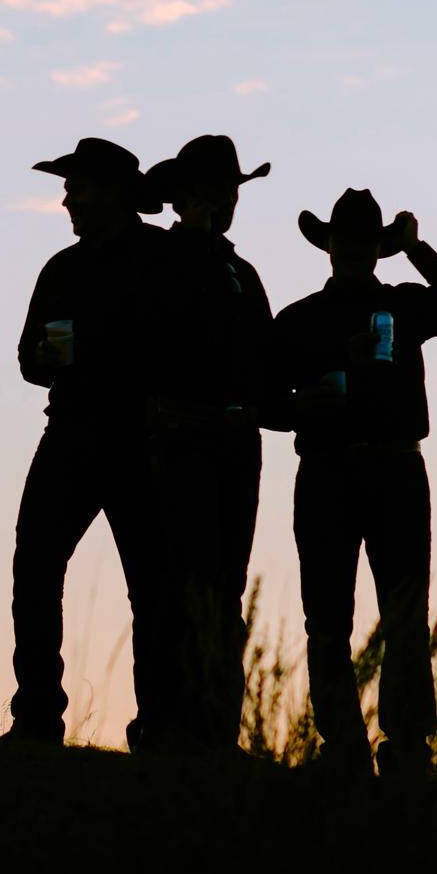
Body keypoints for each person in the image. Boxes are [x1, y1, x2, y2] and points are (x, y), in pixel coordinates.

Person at [273, 189, 437, 776]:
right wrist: (299, 406)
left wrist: (418, 250)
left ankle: (403, 745)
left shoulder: (402, 306)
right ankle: (346, 743)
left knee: (402, 611)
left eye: (364, 240)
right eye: (348, 238)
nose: (353, 249)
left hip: (389, 469)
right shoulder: (300, 320)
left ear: (372, 249)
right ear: (333, 245)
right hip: (334, 471)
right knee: (330, 615)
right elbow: (260, 393)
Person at [6, 138, 176, 747]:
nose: (66, 200)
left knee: (152, 586)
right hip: (74, 432)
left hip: (139, 440)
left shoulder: (164, 260)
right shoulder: (63, 268)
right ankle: (37, 715)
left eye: (76, 188)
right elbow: (27, 359)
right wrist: (46, 358)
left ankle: (156, 721)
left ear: (109, 193)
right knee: (37, 568)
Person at [141, 134, 275, 749]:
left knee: (222, 589)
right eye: (224, 189)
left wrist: (283, 408)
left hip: (233, 440)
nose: (232, 200)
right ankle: (174, 725)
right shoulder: (164, 262)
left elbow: (266, 362)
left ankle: (214, 729)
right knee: (182, 586)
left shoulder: (240, 272)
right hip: (183, 435)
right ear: (193, 195)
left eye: (234, 190)